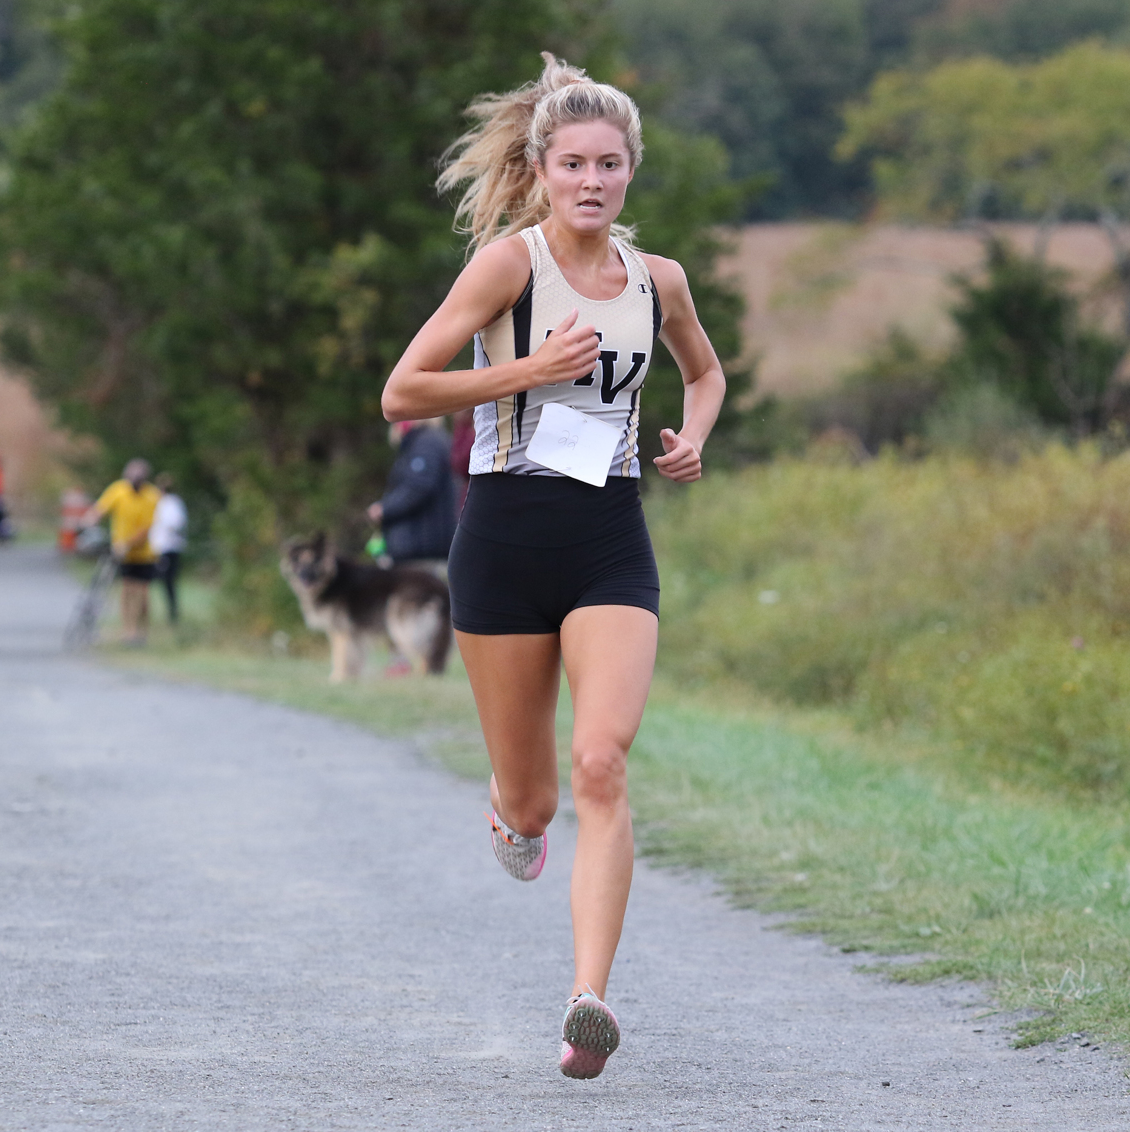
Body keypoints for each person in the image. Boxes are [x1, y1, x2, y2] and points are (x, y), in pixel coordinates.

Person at [379, 55, 725, 1079]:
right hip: (503, 541)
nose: (590, 180)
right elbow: (402, 392)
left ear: (630, 171)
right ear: (541, 170)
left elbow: (706, 372)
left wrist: (693, 435)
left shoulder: (658, 280)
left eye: (608, 164)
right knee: (536, 807)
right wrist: (526, 371)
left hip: (609, 540)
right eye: (572, 163)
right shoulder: (507, 268)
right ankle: (508, 804)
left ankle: (588, 1001)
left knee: (602, 763)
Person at [80, 458, 161, 646]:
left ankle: (142, 630)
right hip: (122, 553)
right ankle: (128, 631)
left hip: (144, 553)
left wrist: (128, 543)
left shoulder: (152, 496)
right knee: (126, 590)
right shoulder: (119, 490)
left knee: (141, 593)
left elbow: (146, 529)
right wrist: (88, 522)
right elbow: (100, 509)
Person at [365, 419, 457, 572]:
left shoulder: (426, 443)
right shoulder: (423, 440)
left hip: (423, 550)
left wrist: (384, 509)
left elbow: (418, 487)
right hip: (422, 548)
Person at [148, 473, 187, 625]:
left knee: (167, 582)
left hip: (168, 548)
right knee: (161, 582)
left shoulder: (171, 503)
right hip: (160, 548)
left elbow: (175, 524)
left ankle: (172, 614)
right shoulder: (162, 502)